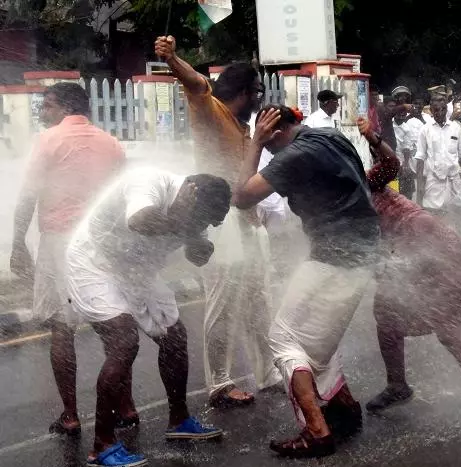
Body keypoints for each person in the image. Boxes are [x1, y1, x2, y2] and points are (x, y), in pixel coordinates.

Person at [234, 106, 379, 458]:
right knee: (316, 339)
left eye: (269, 142)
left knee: (283, 339)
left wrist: (254, 143)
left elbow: (241, 197)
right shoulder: (331, 136)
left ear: (276, 131)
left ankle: (316, 431)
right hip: (364, 253)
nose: (269, 152)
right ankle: (343, 407)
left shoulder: (295, 153)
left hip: (333, 257)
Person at [66, 168, 227, 466]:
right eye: (201, 220)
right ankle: (101, 445)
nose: (202, 226)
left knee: (175, 337)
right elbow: (139, 220)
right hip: (95, 263)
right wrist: (177, 219)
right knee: (124, 341)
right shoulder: (151, 182)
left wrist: (200, 248)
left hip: (137, 269)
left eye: (208, 224)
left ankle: (179, 421)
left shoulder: (194, 212)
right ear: (188, 198)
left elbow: (195, 254)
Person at [154, 35, 278, 407]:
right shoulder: (211, 110)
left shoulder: (243, 128)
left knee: (258, 299)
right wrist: (173, 59)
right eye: (257, 91)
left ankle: (268, 372)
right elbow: (195, 85)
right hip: (217, 223)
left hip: (246, 221)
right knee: (223, 303)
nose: (260, 98)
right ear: (246, 91)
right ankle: (220, 385)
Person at [355, 117, 461, 421]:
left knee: (407, 315)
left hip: (416, 244)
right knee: (437, 319)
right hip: (438, 239)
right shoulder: (355, 185)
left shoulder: (356, 183)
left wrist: (373, 137)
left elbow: (392, 162)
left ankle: (400, 385)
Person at [10, 82, 126, 436]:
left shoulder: (48, 141)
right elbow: (121, 196)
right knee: (115, 325)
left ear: (64, 107)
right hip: (102, 240)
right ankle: (126, 406)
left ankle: (71, 414)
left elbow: (30, 195)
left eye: (46, 105)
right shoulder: (111, 143)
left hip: (60, 242)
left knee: (62, 328)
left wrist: (18, 243)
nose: (42, 112)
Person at [415, 89, 461, 232]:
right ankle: (437, 245)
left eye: (442, 108)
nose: (439, 111)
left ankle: (460, 241)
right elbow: (420, 158)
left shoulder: (455, 128)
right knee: (434, 214)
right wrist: (420, 183)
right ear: (431, 110)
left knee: (458, 211)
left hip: (454, 178)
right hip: (434, 179)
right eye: (436, 108)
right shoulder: (425, 130)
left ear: (446, 108)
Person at [391, 86, 424, 199]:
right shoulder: (387, 123)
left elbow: (406, 147)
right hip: (389, 166)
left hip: (403, 167)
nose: (402, 113)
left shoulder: (407, 126)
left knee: (407, 196)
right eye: (400, 98)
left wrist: (405, 164)